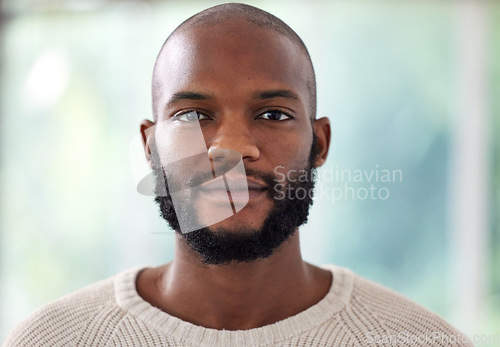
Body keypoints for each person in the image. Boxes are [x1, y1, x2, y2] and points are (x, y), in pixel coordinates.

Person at [4, 3, 473, 346]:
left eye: (273, 115)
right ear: (150, 148)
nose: (230, 148)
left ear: (320, 143)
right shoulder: (52, 339)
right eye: (192, 115)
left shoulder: (421, 340)